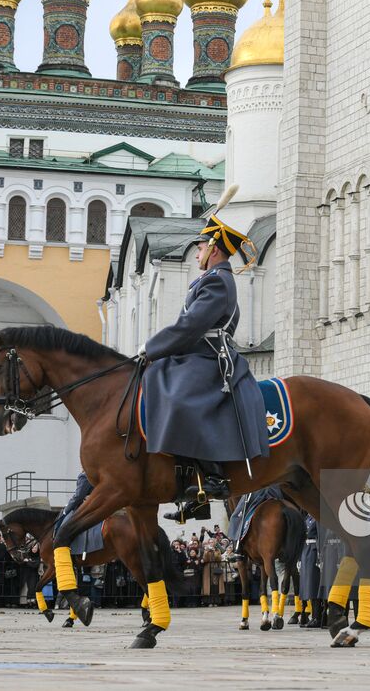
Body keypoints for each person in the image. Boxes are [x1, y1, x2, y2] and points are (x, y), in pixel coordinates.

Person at [139, 202, 269, 523]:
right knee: (161, 384)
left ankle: (213, 477)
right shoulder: (211, 279)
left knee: (182, 398)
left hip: (210, 356)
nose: (197, 252)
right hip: (199, 352)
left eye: (200, 246)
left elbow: (192, 326)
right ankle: (192, 485)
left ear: (212, 249)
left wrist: (152, 347)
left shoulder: (216, 281)